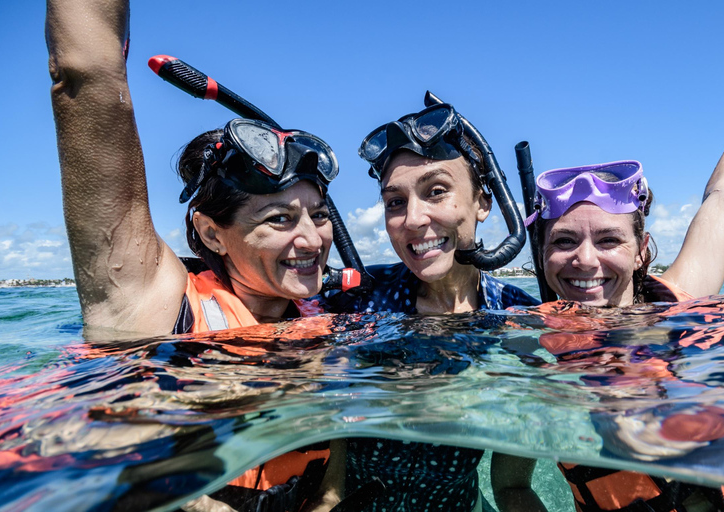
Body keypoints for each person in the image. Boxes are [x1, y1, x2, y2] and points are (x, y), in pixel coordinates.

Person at [46, 1, 345, 510]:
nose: (314, 239)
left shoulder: (325, 318)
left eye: (318, 214)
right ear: (210, 234)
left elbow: (332, 477)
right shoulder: (157, 302)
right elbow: (84, 72)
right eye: (279, 219)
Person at [521, 56, 724, 512]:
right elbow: (510, 486)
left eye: (609, 239)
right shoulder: (528, 349)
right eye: (564, 241)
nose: (585, 260)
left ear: (643, 250)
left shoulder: (684, 301)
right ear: (542, 254)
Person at [318, 101, 544, 511]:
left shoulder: (521, 322)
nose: (412, 219)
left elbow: (513, 487)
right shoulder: (357, 299)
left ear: (483, 201)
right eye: (394, 202)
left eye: (436, 191)